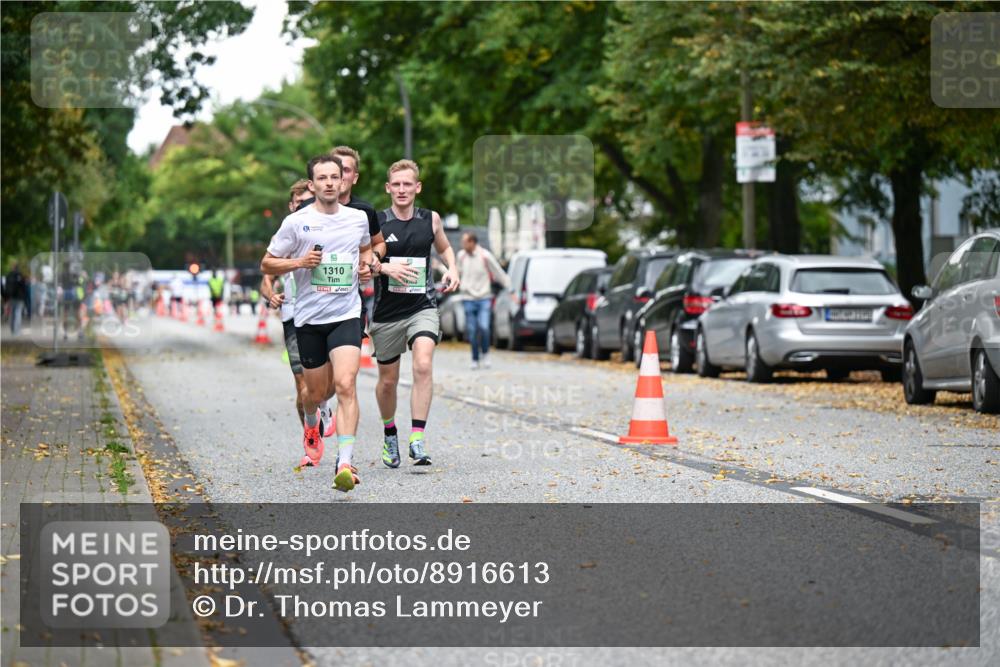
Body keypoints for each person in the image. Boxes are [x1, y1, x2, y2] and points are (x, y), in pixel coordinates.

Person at [261, 155, 374, 493]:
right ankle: (312, 423)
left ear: (343, 182)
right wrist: (300, 261)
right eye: (321, 178)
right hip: (309, 319)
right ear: (311, 185)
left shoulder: (357, 219)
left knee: (346, 384)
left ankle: (345, 462)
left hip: (346, 314)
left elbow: (366, 250)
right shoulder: (297, 222)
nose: (329, 183)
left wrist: (368, 266)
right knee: (315, 392)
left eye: (334, 177)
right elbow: (267, 263)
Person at [369, 159, 460, 468]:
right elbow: (365, 261)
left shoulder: (430, 219)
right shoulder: (377, 223)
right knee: (388, 382)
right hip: (386, 313)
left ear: (417, 187)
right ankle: (390, 432)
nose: (402, 189)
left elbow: (445, 248)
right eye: (396, 184)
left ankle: (417, 439)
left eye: (408, 184)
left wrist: (452, 268)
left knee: (423, 364)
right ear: (388, 188)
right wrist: (383, 267)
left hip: (422, 307)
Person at [260, 179, 335, 436]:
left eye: (307, 201)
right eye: (299, 202)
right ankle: (310, 434)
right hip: (294, 316)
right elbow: (266, 277)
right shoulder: (285, 234)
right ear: (292, 204)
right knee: (302, 382)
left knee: (332, 383)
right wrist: (271, 296)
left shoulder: (327, 228)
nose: (303, 205)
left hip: (327, 311)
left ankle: (323, 402)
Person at [330, 145, 387, 330]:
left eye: (345, 170)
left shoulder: (365, 210)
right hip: (312, 305)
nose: (340, 174)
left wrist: (372, 260)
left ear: (354, 178)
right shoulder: (306, 209)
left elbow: (379, 243)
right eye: (335, 168)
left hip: (350, 302)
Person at [456, 232, 508, 369]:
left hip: (484, 297)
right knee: (472, 331)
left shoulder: (485, 256)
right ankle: (475, 358)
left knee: (484, 327)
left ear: (472, 242)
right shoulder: (461, 256)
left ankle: (485, 353)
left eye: (465, 242)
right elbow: (456, 273)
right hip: (467, 298)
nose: (462, 244)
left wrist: (510, 289)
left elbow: (498, 272)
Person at [5, 262, 27, 335]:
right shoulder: (20, 275)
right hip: (19, 297)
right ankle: (16, 331)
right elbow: (24, 287)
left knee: (12, 313)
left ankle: (12, 329)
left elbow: (6, 286)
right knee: (18, 313)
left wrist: (6, 297)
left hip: (11, 297)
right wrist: (24, 297)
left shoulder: (9, 275)